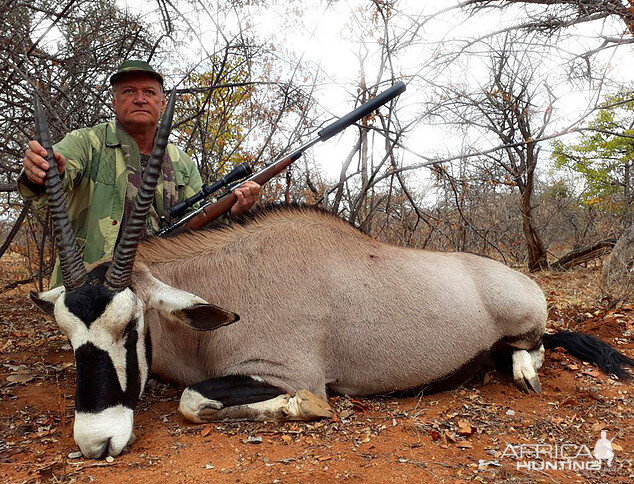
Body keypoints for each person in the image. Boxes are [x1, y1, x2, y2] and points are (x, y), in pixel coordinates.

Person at [18, 60, 260, 288]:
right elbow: (55, 171)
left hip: (154, 287)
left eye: (149, 92)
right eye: (129, 92)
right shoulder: (85, 142)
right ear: (115, 102)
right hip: (90, 288)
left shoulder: (182, 162)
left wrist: (235, 212)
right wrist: (41, 170)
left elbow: (199, 225)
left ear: (162, 103)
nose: (140, 99)